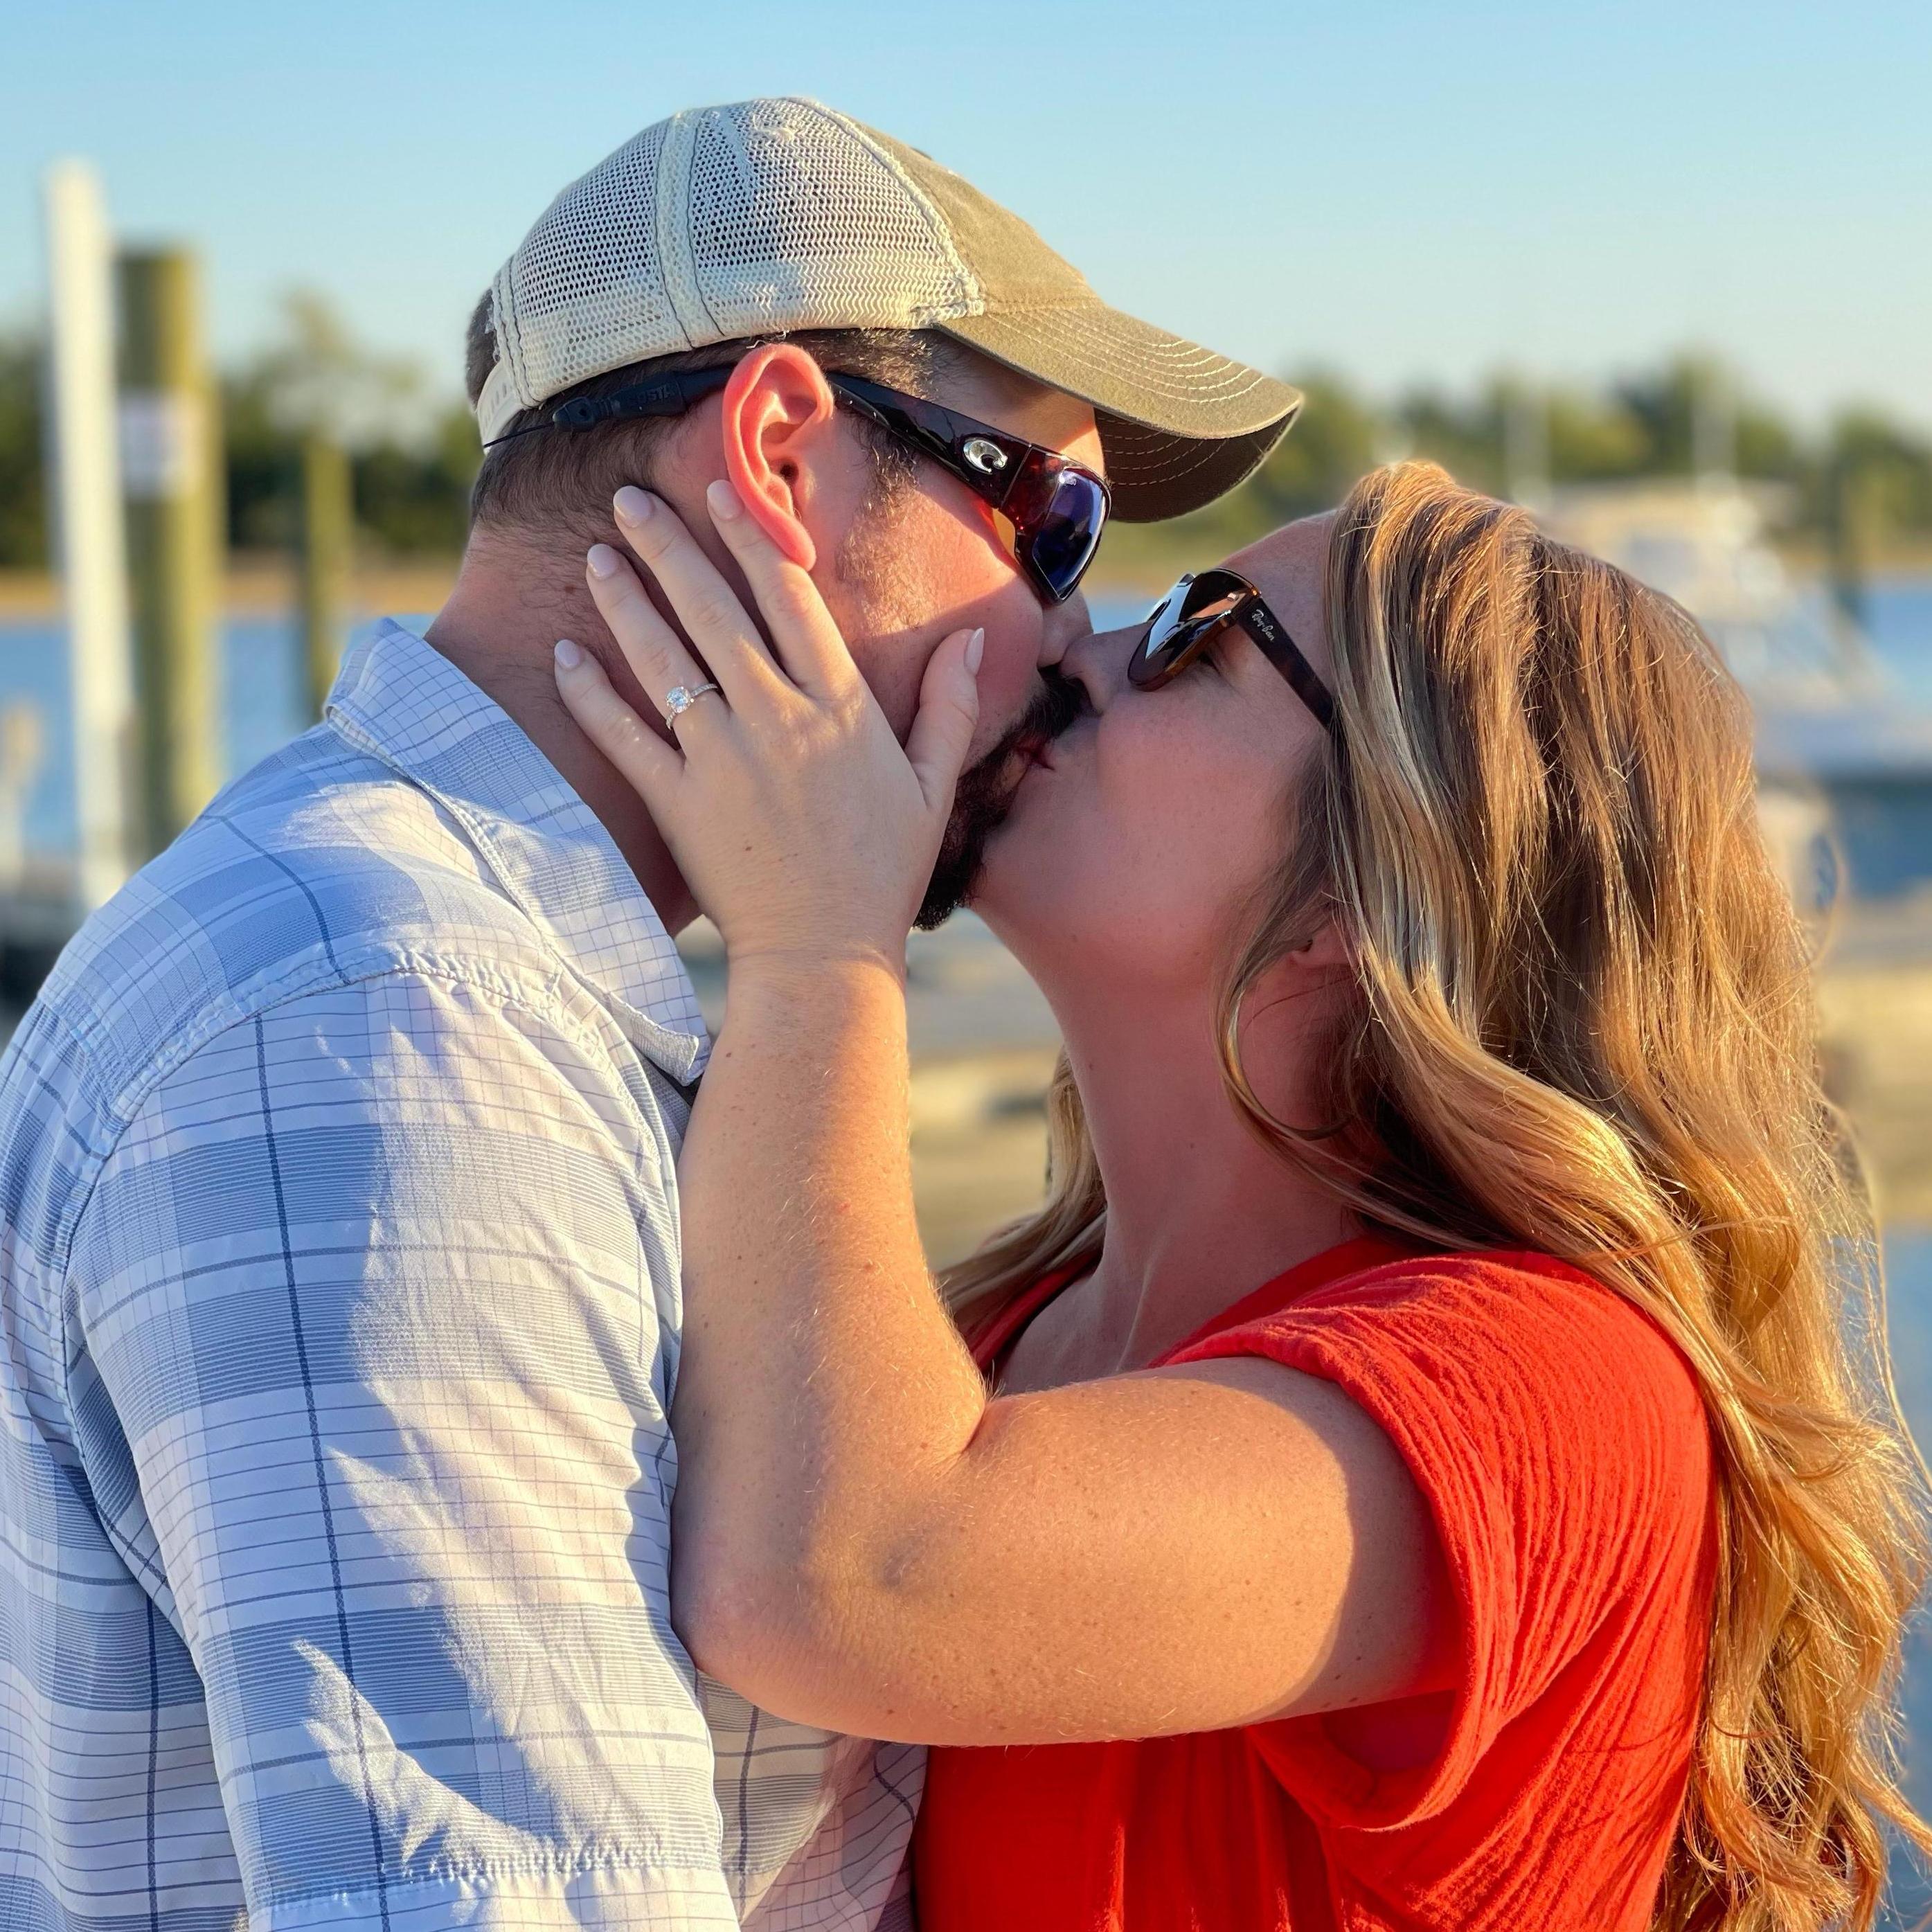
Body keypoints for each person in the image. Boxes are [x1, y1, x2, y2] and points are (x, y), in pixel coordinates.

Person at [0, 99, 1298, 1929]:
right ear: (781, 457)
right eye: (1054, 528)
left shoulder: (456, 974)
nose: (1073, 647)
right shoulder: (399, 1034)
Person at [552, 458, 1932, 1930]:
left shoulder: (1564, 1395)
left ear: (1377, 870)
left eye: (1197, 632)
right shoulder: (978, 1346)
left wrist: (816, 944)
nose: (1073, 644)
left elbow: (845, 1579)